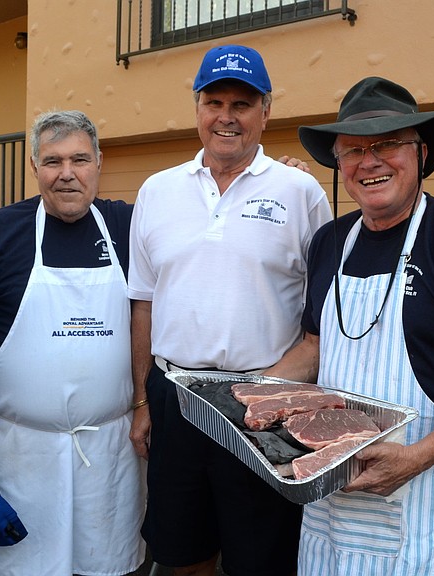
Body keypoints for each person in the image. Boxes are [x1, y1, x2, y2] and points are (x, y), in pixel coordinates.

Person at [264, 76, 434, 575]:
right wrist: (254, 394)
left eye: (388, 144)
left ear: (421, 152)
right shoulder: (330, 242)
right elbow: (314, 347)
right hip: (339, 488)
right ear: (338, 164)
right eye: (352, 150)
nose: (369, 162)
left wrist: (418, 456)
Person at [128, 45, 333, 576]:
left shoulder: (300, 190)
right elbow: (143, 303)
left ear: (265, 111)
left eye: (241, 104)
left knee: (261, 556)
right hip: (176, 396)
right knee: (181, 553)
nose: (226, 116)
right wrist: (142, 401)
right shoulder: (157, 191)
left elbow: (323, 312)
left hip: (265, 401)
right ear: (197, 107)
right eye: (213, 101)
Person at [0, 110, 146, 575]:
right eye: (52, 161)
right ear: (34, 168)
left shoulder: (128, 226)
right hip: (19, 454)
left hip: (108, 453)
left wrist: (278, 181)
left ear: (99, 163)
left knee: (103, 567)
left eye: (79, 160)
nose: (67, 174)